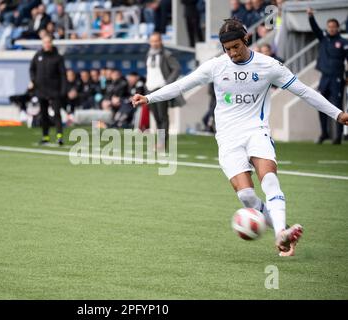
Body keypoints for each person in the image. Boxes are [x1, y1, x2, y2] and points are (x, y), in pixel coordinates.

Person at [132, 18, 348, 257]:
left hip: (257, 131)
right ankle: (283, 229)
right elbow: (182, 85)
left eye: (236, 46)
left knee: (270, 180)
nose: (232, 53)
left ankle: (280, 235)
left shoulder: (269, 66)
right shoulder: (216, 66)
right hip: (227, 138)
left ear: (246, 39)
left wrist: (337, 114)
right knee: (246, 195)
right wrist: (149, 98)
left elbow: (305, 91)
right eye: (227, 49)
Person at [307, 8, 348, 145]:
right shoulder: (323, 39)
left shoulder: (343, 42)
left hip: (337, 78)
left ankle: (338, 136)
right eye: (329, 27)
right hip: (324, 78)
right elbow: (315, 29)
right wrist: (311, 17)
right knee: (321, 104)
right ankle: (324, 133)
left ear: (338, 28)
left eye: (333, 27)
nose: (331, 29)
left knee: (337, 107)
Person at [145, 32, 184, 151]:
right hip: (149, 89)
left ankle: (162, 143)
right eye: (152, 41)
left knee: (163, 117)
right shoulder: (148, 54)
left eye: (156, 41)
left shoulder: (166, 54)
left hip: (160, 88)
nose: (154, 43)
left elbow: (177, 68)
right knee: (156, 118)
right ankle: (159, 142)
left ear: (160, 41)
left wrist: (168, 84)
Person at [29, 35, 67, 146]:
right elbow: (32, 69)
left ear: (52, 43)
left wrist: (63, 90)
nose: (47, 44)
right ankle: (45, 136)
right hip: (41, 90)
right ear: (42, 43)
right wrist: (33, 80)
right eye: (45, 42)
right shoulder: (38, 56)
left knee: (57, 114)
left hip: (54, 90)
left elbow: (63, 75)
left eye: (49, 42)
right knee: (43, 115)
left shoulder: (58, 57)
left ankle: (59, 137)